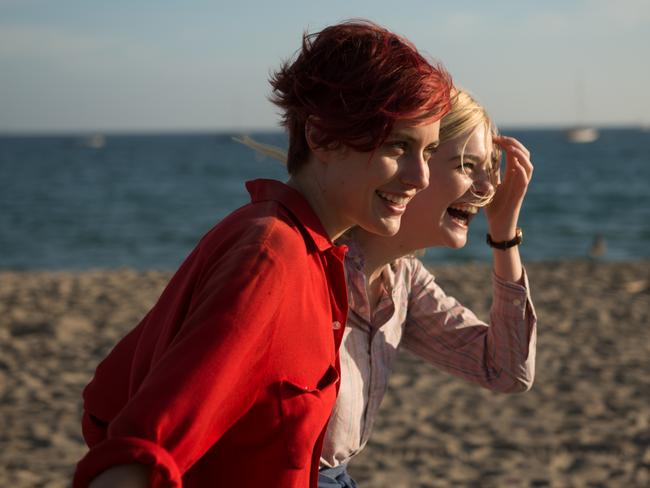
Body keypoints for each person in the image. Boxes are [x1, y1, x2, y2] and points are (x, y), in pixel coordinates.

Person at [72, 20, 452, 488]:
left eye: (429, 151)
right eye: (399, 146)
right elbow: (141, 449)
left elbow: (109, 393)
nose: (421, 177)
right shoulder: (272, 257)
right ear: (321, 136)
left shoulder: (306, 251)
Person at [237, 89, 536, 487]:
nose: (487, 188)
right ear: (414, 167)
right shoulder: (307, 263)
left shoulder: (403, 278)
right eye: (468, 166)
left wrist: (503, 236)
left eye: (490, 169)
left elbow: (506, 370)